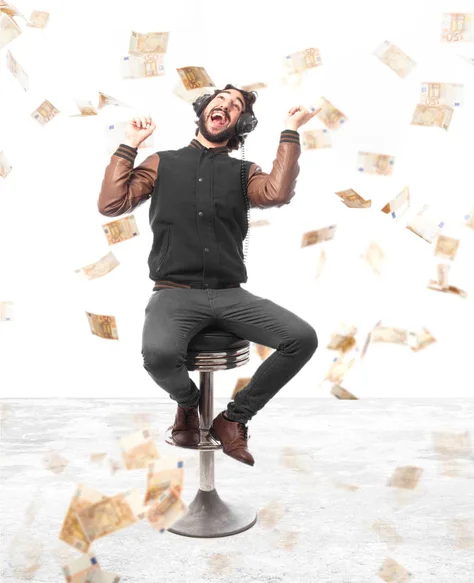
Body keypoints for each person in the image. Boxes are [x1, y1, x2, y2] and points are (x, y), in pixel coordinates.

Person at [98, 84, 321, 466]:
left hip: (230, 294)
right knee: (157, 355)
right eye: (220, 99)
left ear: (240, 123)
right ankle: (189, 405)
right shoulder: (161, 162)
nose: (226, 105)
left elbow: (277, 193)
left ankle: (234, 419)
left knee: (301, 339)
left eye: (235, 106)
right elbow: (111, 203)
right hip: (174, 292)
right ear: (204, 110)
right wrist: (130, 144)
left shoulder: (243, 172)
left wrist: (290, 129)